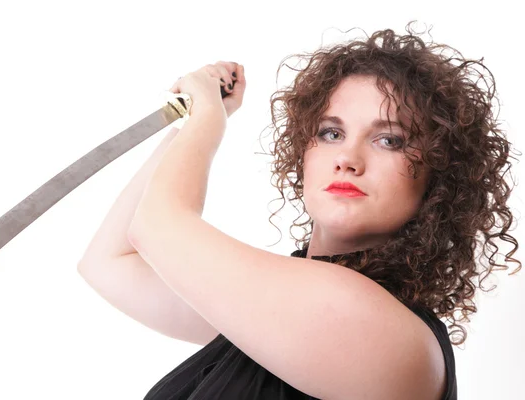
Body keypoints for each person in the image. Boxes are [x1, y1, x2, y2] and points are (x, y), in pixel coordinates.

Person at [77, 22, 521, 400]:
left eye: (390, 140)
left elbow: (157, 227)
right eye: (330, 133)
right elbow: (111, 262)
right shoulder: (279, 307)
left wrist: (208, 121)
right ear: (302, 154)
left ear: (438, 180)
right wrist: (192, 123)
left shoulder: (372, 325)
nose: (348, 157)